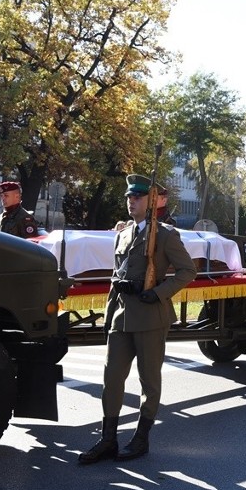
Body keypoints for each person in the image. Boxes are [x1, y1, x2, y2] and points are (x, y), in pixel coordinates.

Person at [79, 174, 196, 464]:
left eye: (139, 197)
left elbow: (187, 271)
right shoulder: (123, 234)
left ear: (152, 201)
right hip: (121, 317)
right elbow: (115, 278)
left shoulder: (166, 235)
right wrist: (109, 315)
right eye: (130, 197)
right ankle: (108, 439)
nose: (132, 202)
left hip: (150, 318)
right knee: (112, 378)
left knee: (149, 381)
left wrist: (157, 293)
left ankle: (141, 438)